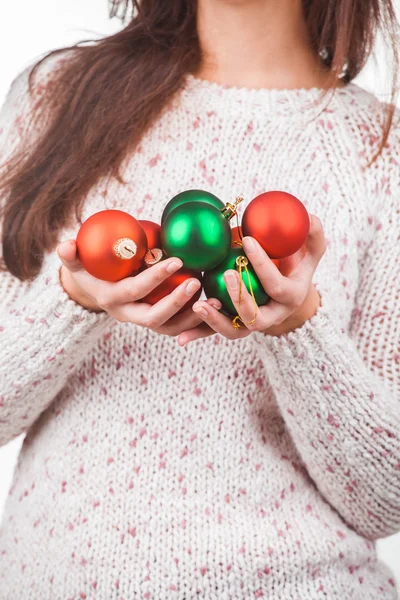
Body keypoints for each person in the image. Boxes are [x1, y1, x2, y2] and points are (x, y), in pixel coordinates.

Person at [0, 0, 399, 597]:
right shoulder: (56, 96)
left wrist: (300, 327)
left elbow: (384, 500)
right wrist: (72, 298)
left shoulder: (380, 149)